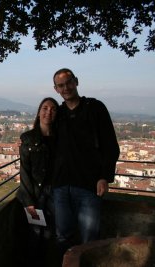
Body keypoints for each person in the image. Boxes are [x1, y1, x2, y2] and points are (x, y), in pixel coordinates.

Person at [52, 68, 120, 262]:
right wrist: (26, 141)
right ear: (56, 89)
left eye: (69, 83)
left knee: (90, 240)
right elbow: (45, 138)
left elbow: (110, 145)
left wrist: (105, 177)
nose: (66, 88)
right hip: (61, 186)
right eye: (61, 85)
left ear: (76, 82)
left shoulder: (95, 108)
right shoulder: (58, 113)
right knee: (63, 237)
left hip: (90, 185)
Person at [16, 97, 59, 267]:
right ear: (39, 112)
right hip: (34, 195)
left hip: (55, 194)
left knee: (51, 234)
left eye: (53, 109)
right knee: (34, 234)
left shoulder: (61, 139)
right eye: (45, 108)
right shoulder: (27, 138)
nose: (48, 112)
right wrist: (28, 202)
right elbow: (24, 171)